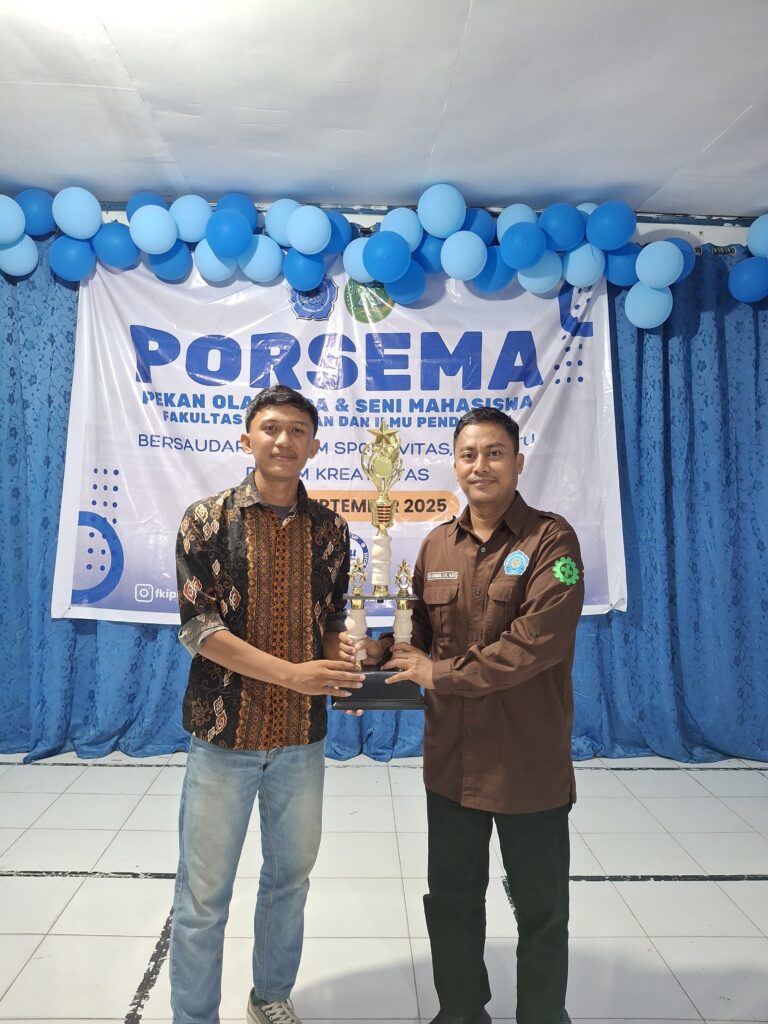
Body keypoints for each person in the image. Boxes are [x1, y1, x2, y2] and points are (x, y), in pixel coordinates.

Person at [344, 407, 584, 1024]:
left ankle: (542, 1015)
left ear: (518, 462)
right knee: (451, 901)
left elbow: (535, 644)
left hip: (527, 762)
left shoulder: (551, 541)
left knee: (540, 909)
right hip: (453, 761)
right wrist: (378, 654)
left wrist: (440, 674)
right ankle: (459, 1011)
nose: (481, 466)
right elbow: (419, 638)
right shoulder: (436, 544)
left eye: (494, 453)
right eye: (469, 455)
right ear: (455, 464)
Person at [171, 384, 363, 1024]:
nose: (284, 440)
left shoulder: (331, 530)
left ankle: (270, 996)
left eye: (297, 430)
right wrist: (295, 676)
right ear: (247, 437)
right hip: (223, 736)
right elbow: (201, 631)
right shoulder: (205, 521)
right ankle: (193, 1016)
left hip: (301, 740)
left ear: (314, 446)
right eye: (272, 427)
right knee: (203, 897)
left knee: (290, 882)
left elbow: (329, 620)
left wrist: (343, 668)